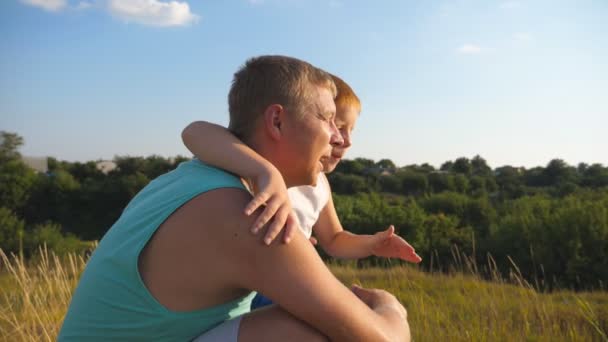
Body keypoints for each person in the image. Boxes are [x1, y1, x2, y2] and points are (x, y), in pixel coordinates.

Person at [58, 55, 411, 341]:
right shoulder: (253, 215)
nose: (338, 138)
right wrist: (390, 307)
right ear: (276, 121)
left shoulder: (192, 178)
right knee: (306, 333)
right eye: (329, 119)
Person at [182, 74, 422, 309]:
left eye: (351, 130)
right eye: (336, 126)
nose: (344, 140)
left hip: (286, 279)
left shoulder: (319, 184)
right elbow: (195, 131)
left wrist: (371, 244)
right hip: (242, 286)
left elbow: (335, 239)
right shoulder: (256, 162)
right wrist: (264, 171)